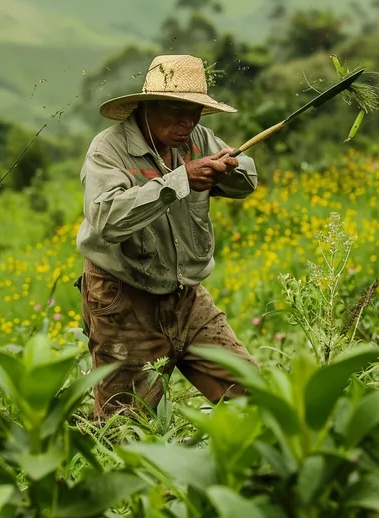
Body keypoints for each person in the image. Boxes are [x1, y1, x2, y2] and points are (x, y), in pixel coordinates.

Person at [74, 54, 260, 419]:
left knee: (252, 396)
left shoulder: (197, 138)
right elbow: (106, 218)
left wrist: (228, 169)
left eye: (194, 112)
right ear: (147, 106)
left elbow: (247, 180)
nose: (186, 122)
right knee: (123, 424)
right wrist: (181, 180)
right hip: (123, 297)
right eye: (175, 110)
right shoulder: (109, 149)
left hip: (186, 296)